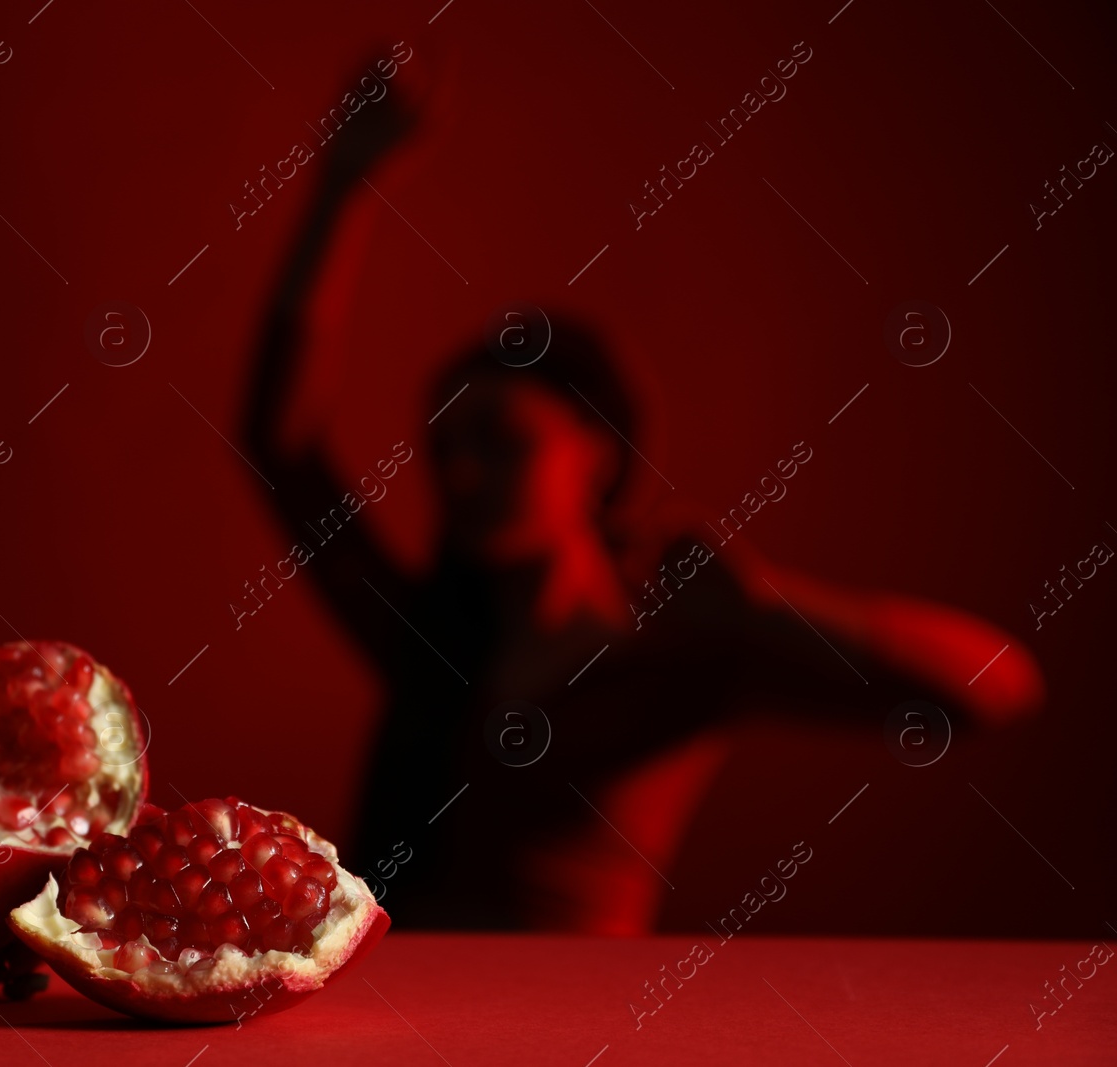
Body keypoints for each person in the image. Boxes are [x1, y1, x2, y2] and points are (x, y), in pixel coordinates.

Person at [241, 60, 1044, 932]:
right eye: (440, 448)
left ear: (599, 457)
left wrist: (775, 606)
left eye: (500, 442)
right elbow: (281, 446)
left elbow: (992, 688)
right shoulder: (430, 640)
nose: (459, 474)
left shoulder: (675, 651)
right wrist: (341, 187)